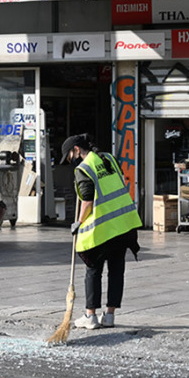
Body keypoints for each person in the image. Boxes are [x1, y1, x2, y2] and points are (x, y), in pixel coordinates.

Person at [61, 134, 142, 329]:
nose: (72, 160)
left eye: (71, 156)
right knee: (116, 270)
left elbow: (87, 201)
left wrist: (78, 222)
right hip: (123, 225)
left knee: (93, 270)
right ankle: (110, 316)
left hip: (102, 228)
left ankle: (91, 316)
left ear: (77, 150)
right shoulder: (109, 159)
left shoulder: (84, 168)